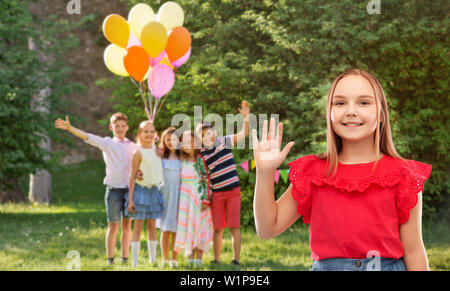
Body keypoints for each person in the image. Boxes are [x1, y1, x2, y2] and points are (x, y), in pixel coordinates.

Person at [253, 69, 432, 271]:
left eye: (364, 102)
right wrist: (265, 172)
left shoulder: (403, 175)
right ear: (329, 114)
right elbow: (268, 228)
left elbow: (414, 250)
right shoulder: (312, 173)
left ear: (381, 113)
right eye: (340, 103)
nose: (351, 111)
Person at [54, 113, 137, 265]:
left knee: (127, 225)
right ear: (111, 128)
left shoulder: (133, 146)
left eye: (122, 126)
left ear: (127, 127)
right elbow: (87, 136)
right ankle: (110, 259)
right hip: (113, 190)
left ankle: (125, 258)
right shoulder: (107, 143)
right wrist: (70, 128)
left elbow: (145, 157)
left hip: (129, 191)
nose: (119, 129)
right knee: (113, 225)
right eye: (116, 126)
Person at [196, 101, 250, 265]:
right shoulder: (202, 155)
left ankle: (236, 259)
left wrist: (246, 118)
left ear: (215, 132)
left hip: (233, 191)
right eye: (203, 134)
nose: (208, 136)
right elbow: (202, 177)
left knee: (234, 226)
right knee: (218, 228)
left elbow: (243, 134)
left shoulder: (224, 141)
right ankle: (217, 258)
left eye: (210, 132)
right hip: (217, 194)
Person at [125, 120, 164, 267]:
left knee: (152, 226)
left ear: (155, 134)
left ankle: (152, 261)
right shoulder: (138, 152)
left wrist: (156, 136)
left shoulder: (158, 151)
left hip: (154, 191)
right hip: (140, 192)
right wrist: (130, 200)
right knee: (138, 226)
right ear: (139, 134)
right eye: (145, 131)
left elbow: (162, 142)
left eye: (151, 131)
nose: (148, 134)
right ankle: (134, 262)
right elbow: (132, 177)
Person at [174, 131, 213, 265]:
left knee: (198, 225)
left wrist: (206, 199)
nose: (187, 145)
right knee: (187, 226)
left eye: (190, 142)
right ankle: (190, 257)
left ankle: (198, 259)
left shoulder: (200, 160)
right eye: (184, 143)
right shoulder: (181, 159)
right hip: (185, 199)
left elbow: (207, 180)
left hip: (198, 197)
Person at [156, 127, 182, 267]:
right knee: (165, 229)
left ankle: (174, 258)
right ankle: (165, 259)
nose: (171, 142)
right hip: (164, 197)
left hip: (178, 197)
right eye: (167, 140)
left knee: (176, 230)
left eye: (173, 139)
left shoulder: (182, 158)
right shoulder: (161, 158)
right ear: (163, 141)